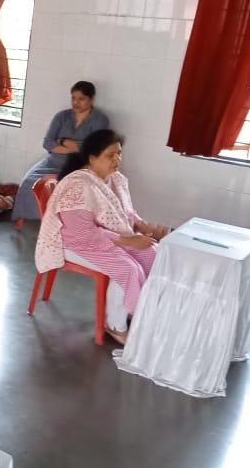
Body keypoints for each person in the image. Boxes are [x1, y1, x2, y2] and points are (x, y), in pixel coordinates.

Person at [35, 129, 165, 345]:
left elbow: (126, 213)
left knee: (152, 254)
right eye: (110, 155)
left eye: (119, 153)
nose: (117, 159)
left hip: (103, 238)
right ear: (92, 158)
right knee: (127, 268)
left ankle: (133, 309)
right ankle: (115, 325)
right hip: (73, 243)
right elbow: (81, 232)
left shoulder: (114, 179)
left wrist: (144, 227)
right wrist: (128, 241)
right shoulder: (79, 186)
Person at [14, 81, 111, 223]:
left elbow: (93, 147)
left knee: (66, 189)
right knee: (29, 181)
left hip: (80, 165)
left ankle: (57, 223)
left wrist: (62, 140)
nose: (76, 102)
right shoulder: (62, 116)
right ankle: (30, 218)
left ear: (92, 99)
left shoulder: (100, 119)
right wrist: (74, 146)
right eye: (73, 98)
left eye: (81, 99)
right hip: (52, 162)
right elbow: (47, 143)